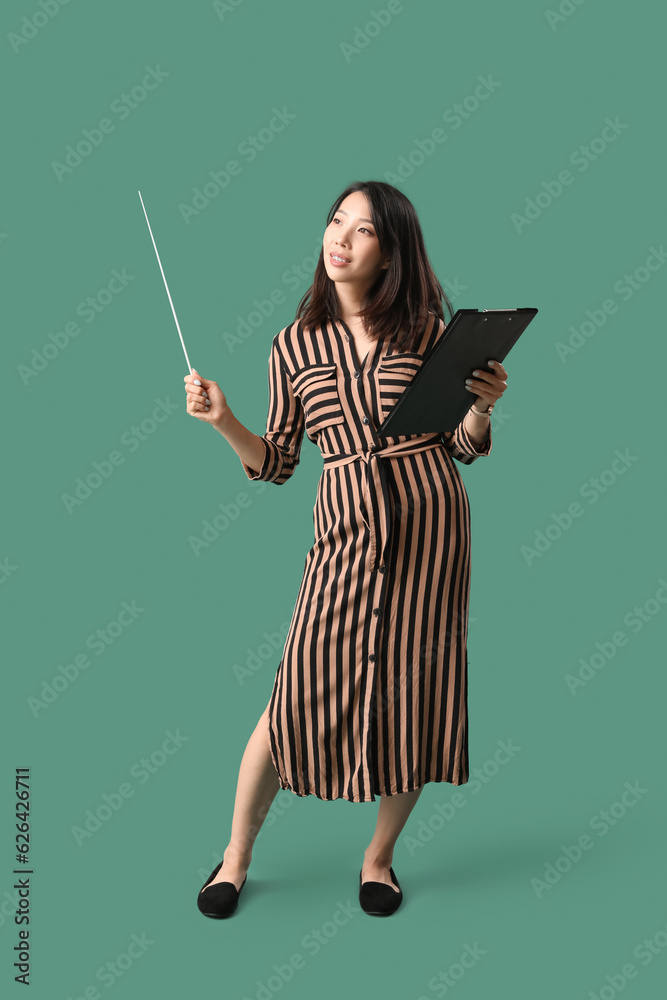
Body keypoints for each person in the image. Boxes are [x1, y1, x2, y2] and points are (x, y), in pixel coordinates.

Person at [185, 180, 508, 918]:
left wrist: (483, 407)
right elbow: (277, 463)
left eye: (361, 231)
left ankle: (378, 859)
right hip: (342, 535)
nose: (340, 238)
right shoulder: (294, 344)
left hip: (432, 535)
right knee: (290, 694)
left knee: (413, 697)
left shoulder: (429, 332)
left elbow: (459, 446)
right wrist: (224, 421)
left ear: (390, 252)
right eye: (335, 222)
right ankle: (235, 857)